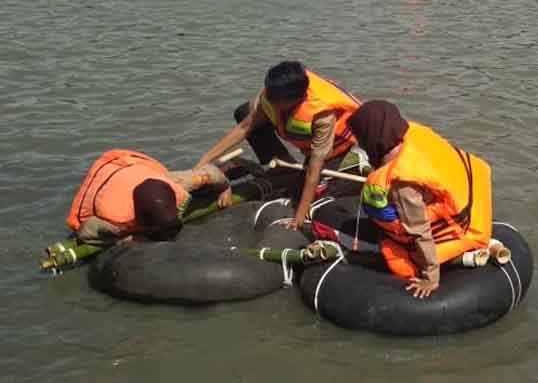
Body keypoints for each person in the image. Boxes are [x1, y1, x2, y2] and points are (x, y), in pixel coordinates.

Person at [347, 100, 493, 299]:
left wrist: (430, 277)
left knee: (396, 256)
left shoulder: (402, 183)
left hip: (462, 232)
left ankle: (456, 257)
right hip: (474, 205)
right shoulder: (414, 136)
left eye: (361, 138)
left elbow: (419, 231)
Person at [196, 61, 361, 230]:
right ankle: (283, 167)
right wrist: (205, 160)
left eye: (276, 102)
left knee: (303, 197)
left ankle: (296, 178)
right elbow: (245, 127)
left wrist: (298, 218)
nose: (270, 103)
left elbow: (314, 167)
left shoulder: (322, 115)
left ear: (296, 100)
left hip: (338, 148)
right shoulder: (271, 95)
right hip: (304, 137)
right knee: (245, 111)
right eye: (269, 96)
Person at [66, 150, 231, 244]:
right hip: (106, 179)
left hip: (136, 170)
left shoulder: (175, 184)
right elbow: (84, 232)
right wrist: (121, 240)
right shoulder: (114, 219)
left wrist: (225, 187)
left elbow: (211, 174)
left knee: (203, 179)